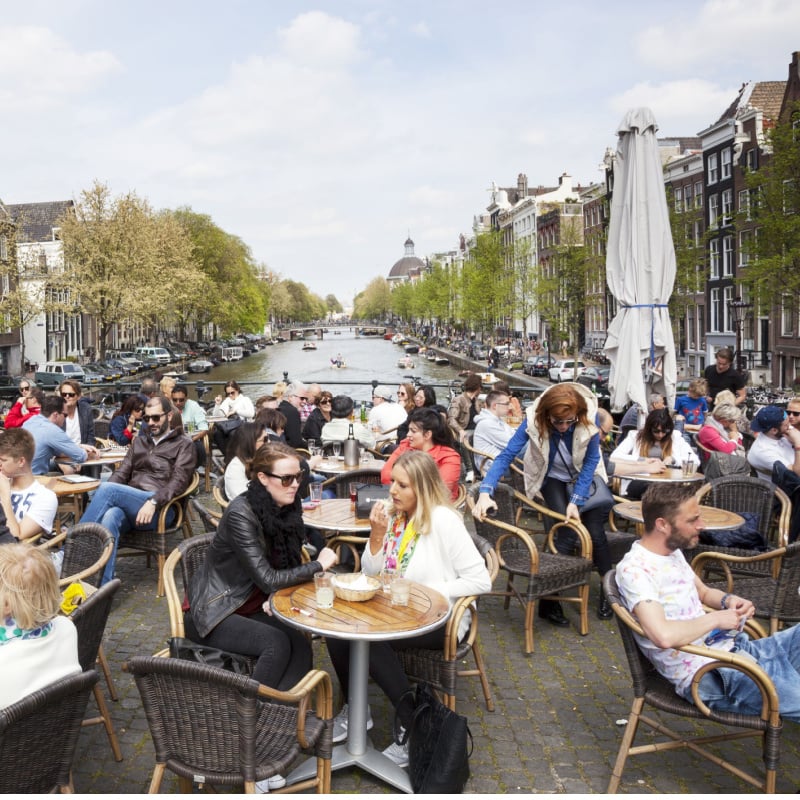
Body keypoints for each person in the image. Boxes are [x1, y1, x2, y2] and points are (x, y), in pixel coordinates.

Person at [326, 450, 491, 766]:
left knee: (366, 638)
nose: (392, 491)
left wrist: (425, 593)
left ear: (423, 488)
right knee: (339, 631)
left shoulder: (443, 521)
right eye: (392, 483)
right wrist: (376, 536)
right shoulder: (396, 517)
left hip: (440, 619)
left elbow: (481, 580)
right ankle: (358, 710)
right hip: (395, 613)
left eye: (402, 485)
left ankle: (411, 722)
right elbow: (373, 574)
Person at [615, 482, 800, 721]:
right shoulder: (635, 571)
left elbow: (702, 592)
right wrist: (715, 619)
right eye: (692, 520)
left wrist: (729, 600)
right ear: (662, 524)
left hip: (733, 652)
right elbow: (663, 636)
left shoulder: (670, 552)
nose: (701, 526)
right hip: (709, 674)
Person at [185, 443, 338, 692]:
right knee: (275, 642)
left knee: (300, 646)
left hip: (252, 601)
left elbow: (282, 566)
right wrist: (319, 564)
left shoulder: (285, 508)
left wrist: (273, 596)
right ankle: (251, 712)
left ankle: (281, 711)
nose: (296, 484)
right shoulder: (241, 514)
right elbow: (268, 578)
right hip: (217, 609)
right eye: (286, 479)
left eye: (298, 476)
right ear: (263, 478)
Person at [472, 382, 615, 622]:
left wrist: (577, 500)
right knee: (565, 531)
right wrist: (486, 491)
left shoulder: (589, 420)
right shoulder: (533, 421)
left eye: (569, 422)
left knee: (596, 533)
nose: (562, 427)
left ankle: (609, 590)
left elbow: (590, 462)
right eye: (557, 422)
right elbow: (507, 455)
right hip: (553, 477)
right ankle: (549, 599)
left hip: (584, 477)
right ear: (546, 416)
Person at [80, 395, 196, 585]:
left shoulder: (184, 444)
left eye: (156, 418)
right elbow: (121, 474)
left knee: (109, 490)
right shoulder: (140, 442)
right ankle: (102, 586)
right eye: (146, 418)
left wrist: (153, 502)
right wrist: (112, 491)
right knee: (111, 515)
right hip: (132, 505)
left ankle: (71, 549)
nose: (151, 422)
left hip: (161, 508)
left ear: (168, 416)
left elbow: (178, 482)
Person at [0, 543, 81, 709]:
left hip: (11, 733)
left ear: (7, 605)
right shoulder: (67, 628)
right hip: (58, 724)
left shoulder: (5, 658)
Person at [610, 409, 699, 498]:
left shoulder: (675, 436)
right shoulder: (635, 436)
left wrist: (673, 460)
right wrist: (643, 460)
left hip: (668, 482)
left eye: (665, 431)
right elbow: (614, 456)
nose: (660, 435)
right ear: (649, 429)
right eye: (656, 431)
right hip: (641, 481)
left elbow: (695, 460)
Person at [381, 407, 461, 500]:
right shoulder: (406, 445)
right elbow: (386, 474)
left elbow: (439, 491)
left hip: (435, 508)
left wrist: (403, 486)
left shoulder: (449, 458)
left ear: (427, 435)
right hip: (403, 502)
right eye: (409, 430)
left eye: (413, 431)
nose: (408, 434)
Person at [0, 429, 58, 541]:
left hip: (14, 555)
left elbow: (15, 536)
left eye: (3, 460)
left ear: (21, 461)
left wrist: (5, 496)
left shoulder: (45, 497)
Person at [23, 395, 97, 475]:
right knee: (109, 487)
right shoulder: (52, 430)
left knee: (64, 469)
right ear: (55, 415)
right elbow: (81, 456)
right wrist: (88, 452)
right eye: (65, 415)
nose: (66, 418)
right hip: (35, 479)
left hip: (20, 476)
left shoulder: (30, 421)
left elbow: (57, 451)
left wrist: (79, 446)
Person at [747, 405, 800, 483]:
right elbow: (796, 475)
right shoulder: (763, 451)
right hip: (786, 489)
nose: (789, 426)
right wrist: (798, 443)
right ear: (774, 430)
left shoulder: (778, 433)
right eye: (786, 425)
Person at [472, 390, 517, 475]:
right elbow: (512, 444)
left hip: (501, 459)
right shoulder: (487, 423)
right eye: (506, 404)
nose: (510, 406)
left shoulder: (497, 420)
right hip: (493, 466)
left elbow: (513, 435)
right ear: (495, 406)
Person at [224, 421, 272, 500]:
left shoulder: (260, 459)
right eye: (265, 439)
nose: (269, 442)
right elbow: (244, 499)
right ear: (250, 443)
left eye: (268, 438)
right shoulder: (236, 467)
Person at [211, 380, 255, 456]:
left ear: (237, 390)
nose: (230, 395)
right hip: (229, 426)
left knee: (233, 434)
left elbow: (251, 413)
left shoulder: (245, 400)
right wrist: (217, 405)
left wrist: (236, 411)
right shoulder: (227, 401)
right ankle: (228, 456)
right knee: (216, 433)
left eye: (232, 392)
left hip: (243, 426)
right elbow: (216, 416)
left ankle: (234, 457)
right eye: (228, 393)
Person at [171, 384, 209, 467]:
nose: (178, 403)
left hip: (190, 439)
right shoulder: (168, 406)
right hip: (172, 440)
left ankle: (192, 468)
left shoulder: (193, 406)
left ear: (186, 399)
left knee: (198, 448)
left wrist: (192, 439)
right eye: (175, 400)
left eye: (181, 400)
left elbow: (204, 428)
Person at [58, 380, 96, 448]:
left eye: (71, 394)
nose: (67, 396)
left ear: (78, 396)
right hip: (62, 453)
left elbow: (91, 436)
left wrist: (88, 449)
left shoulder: (86, 410)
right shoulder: (55, 413)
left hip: (82, 453)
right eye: (64, 394)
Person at [447, 373, 482, 443]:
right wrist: (460, 430)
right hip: (465, 431)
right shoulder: (458, 400)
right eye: (481, 387)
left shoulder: (477, 401)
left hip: (477, 431)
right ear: (478, 388)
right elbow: (451, 419)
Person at [278, 381, 308, 449]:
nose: (305, 402)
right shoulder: (292, 412)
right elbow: (296, 442)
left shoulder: (280, 407)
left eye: (306, 399)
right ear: (290, 397)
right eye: (302, 398)